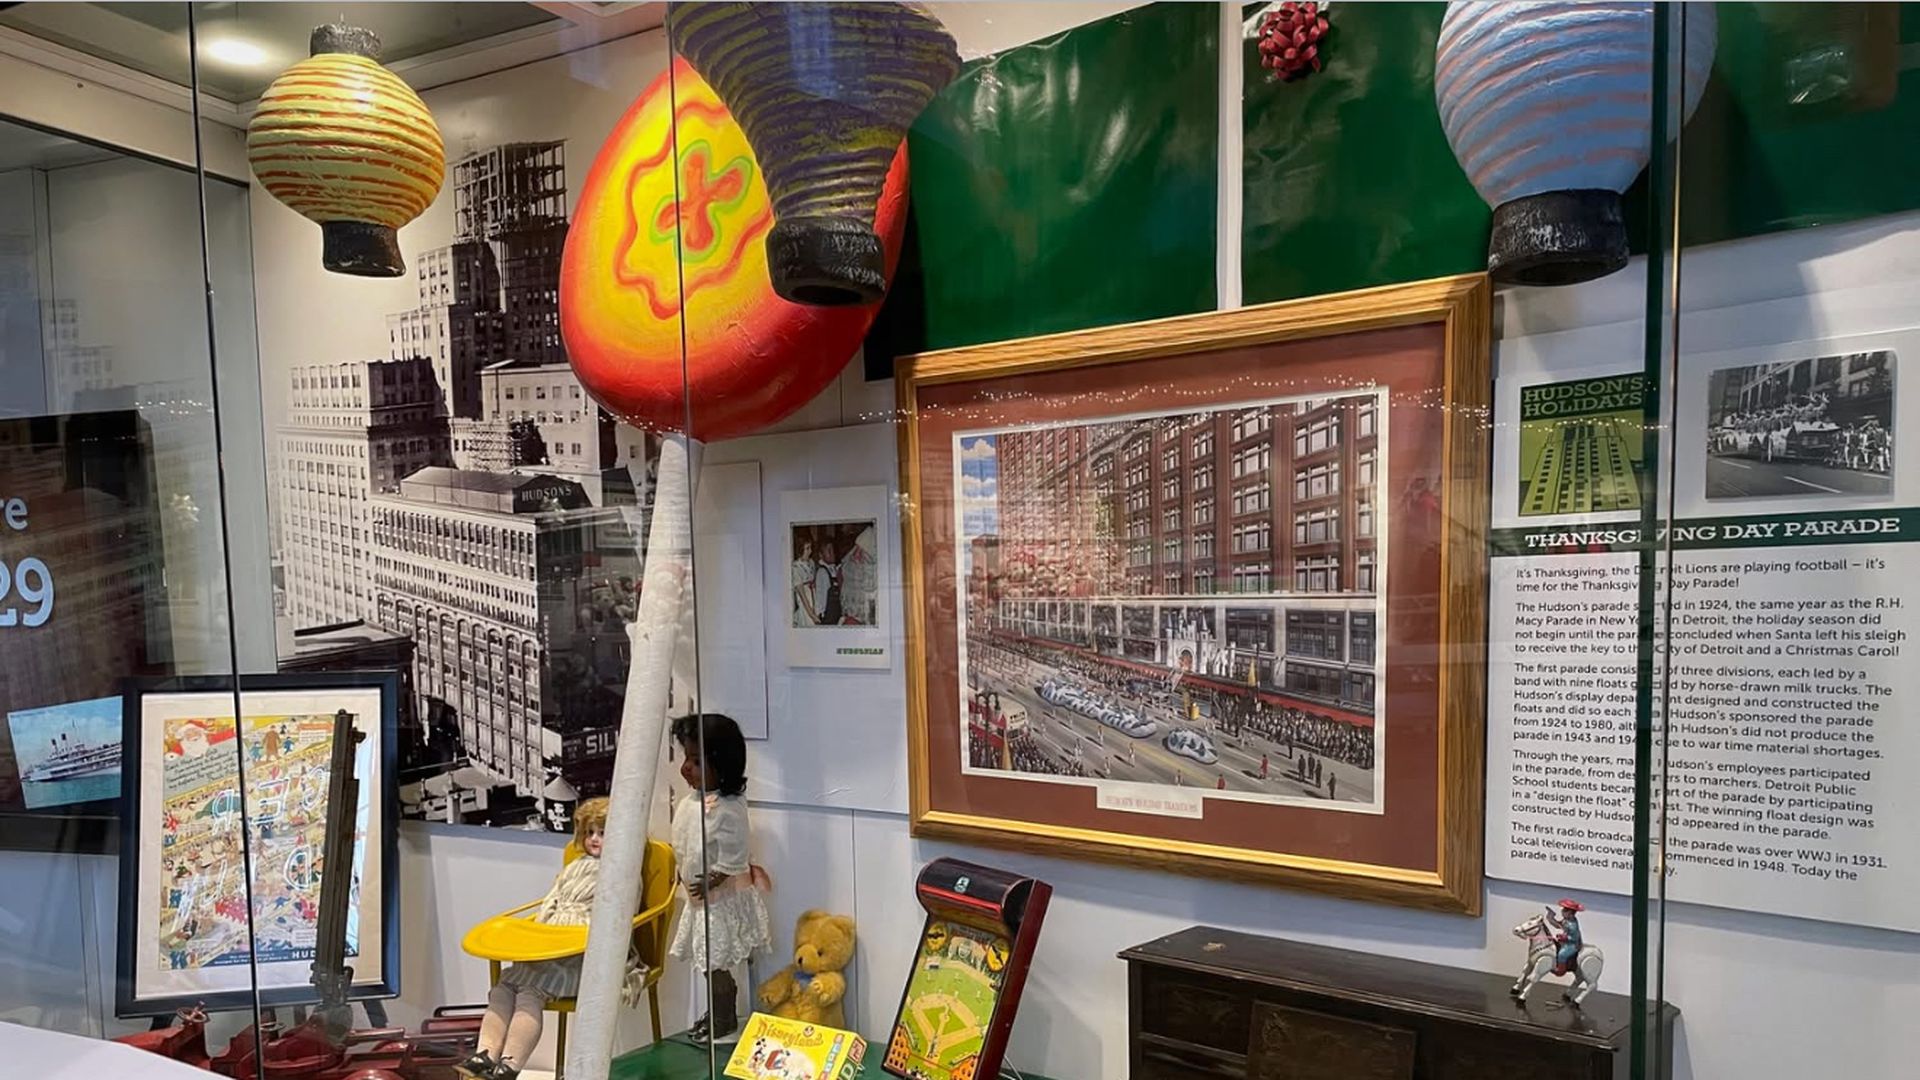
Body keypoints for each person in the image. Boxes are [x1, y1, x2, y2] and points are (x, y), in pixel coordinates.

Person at [460, 798, 626, 1080]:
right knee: (503, 986)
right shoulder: (574, 867)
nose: (594, 839)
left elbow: (618, 914)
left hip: (579, 951)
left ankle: (510, 1064)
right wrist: (540, 927)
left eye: (602, 832)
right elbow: (552, 898)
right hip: (549, 940)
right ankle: (485, 1053)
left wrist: (575, 932)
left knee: (530, 993)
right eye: (589, 832)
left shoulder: (620, 872)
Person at [670, 712, 771, 1042]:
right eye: (686, 758)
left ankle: (724, 1016)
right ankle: (716, 1013)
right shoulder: (693, 801)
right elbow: (686, 842)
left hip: (720, 902)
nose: (687, 768)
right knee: (707, 963)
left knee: (716, 965)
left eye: (696, 761)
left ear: (723, 764)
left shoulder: (728, 808)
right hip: (701, 900)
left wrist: (715, 876)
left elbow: (734, 852)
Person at [1548, 898, 1585, 975]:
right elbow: (1558, 925)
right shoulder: (1566, 921)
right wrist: (1550, 918)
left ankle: (1560, 971)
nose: (1562, 912)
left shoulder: (1572, 925)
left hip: (1572, 944)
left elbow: (1575, 937)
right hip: (1565, 942)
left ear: (1571, 913)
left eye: (1565, 910)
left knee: (1562, 954)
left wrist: (1565, 937)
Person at [813, 540, 844, 625]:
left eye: (833, 550)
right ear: (821, 555)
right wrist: (820, 617)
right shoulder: (822, 572)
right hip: (827, 617)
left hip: (837, 615)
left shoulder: (834, 569)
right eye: (829, 551)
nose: (832, 553)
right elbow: (820, 597)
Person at [791, 537, 819, 626]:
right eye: (807, 548)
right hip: (805, 602)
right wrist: (811, 614)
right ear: (800, 549)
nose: (810, 551)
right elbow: (802, 594)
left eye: (810, 548)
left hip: (814, 597)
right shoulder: (795, 567)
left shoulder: (811, 563)